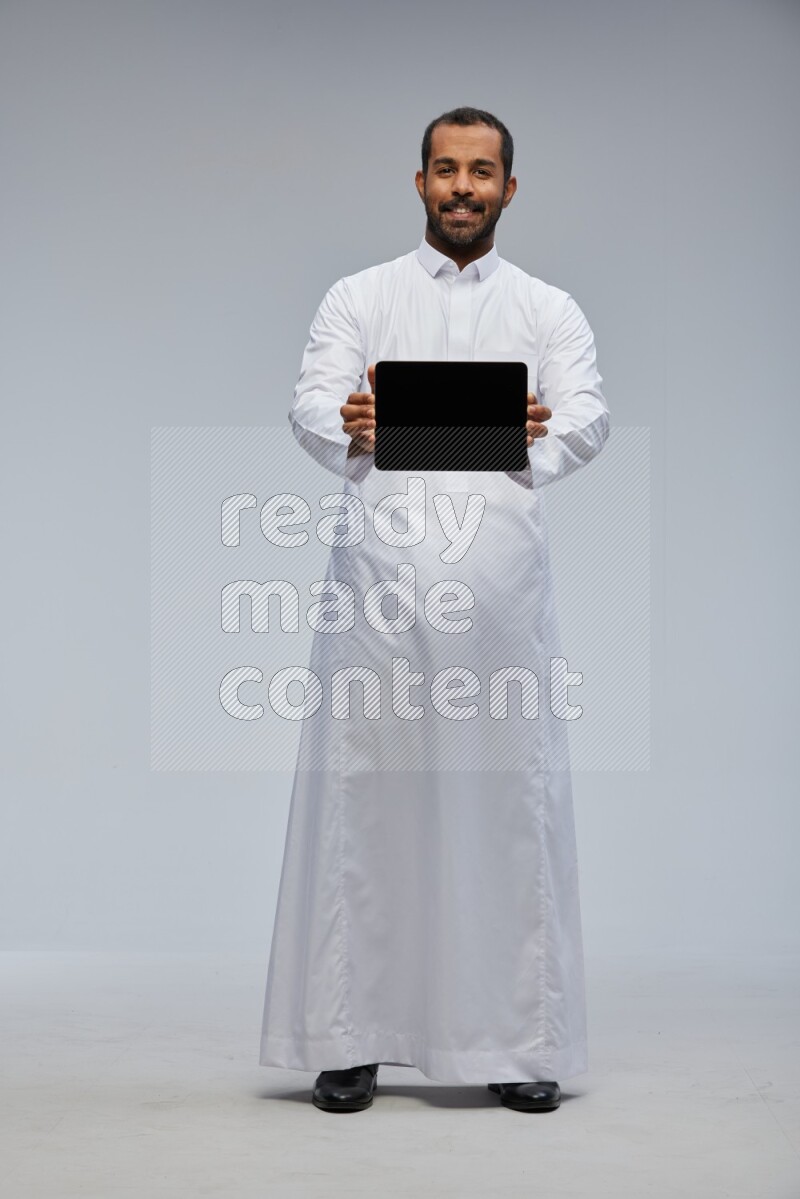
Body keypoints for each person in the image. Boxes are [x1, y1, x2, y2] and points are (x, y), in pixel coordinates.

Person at [259, 106, 610, 1114]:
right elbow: (315, 406)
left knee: (504, 803)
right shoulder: (359, 297)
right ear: (418, 182)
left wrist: (511, 428)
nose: (462, 187)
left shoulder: (548, 309)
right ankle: (350, 1034)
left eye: (482, 171)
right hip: (376, 584)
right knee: (368, 804)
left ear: (508, 187)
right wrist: (353, 419)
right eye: (445, 170)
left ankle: (514, 1036)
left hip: (498, 591)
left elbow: (580, 417)